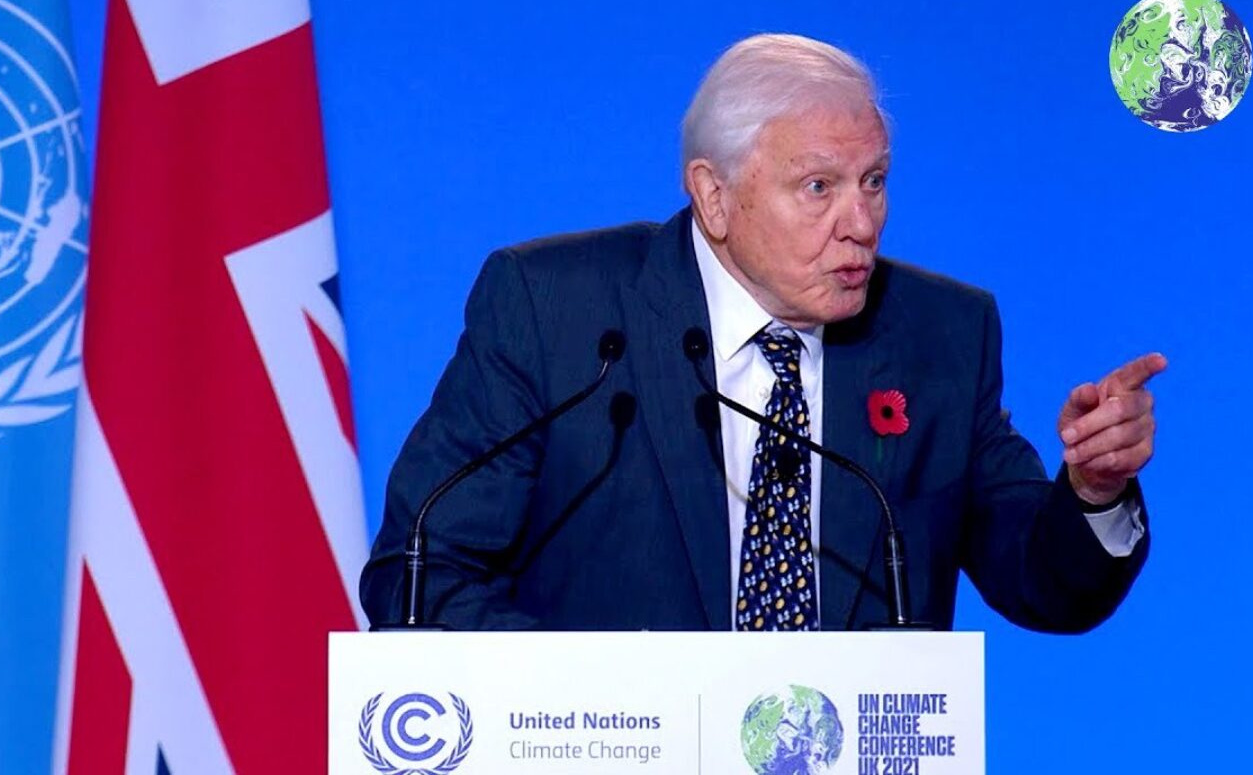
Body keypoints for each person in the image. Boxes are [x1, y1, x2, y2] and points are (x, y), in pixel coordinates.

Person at [360, 33, 1162, 632]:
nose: (861, 223)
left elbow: (1042, 582)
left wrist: (1092, 492)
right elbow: (422, 574)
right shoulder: (557, 314)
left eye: (874, 182)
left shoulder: (940, 335)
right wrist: (605, 709)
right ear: (714, 196)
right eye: (819, 186)